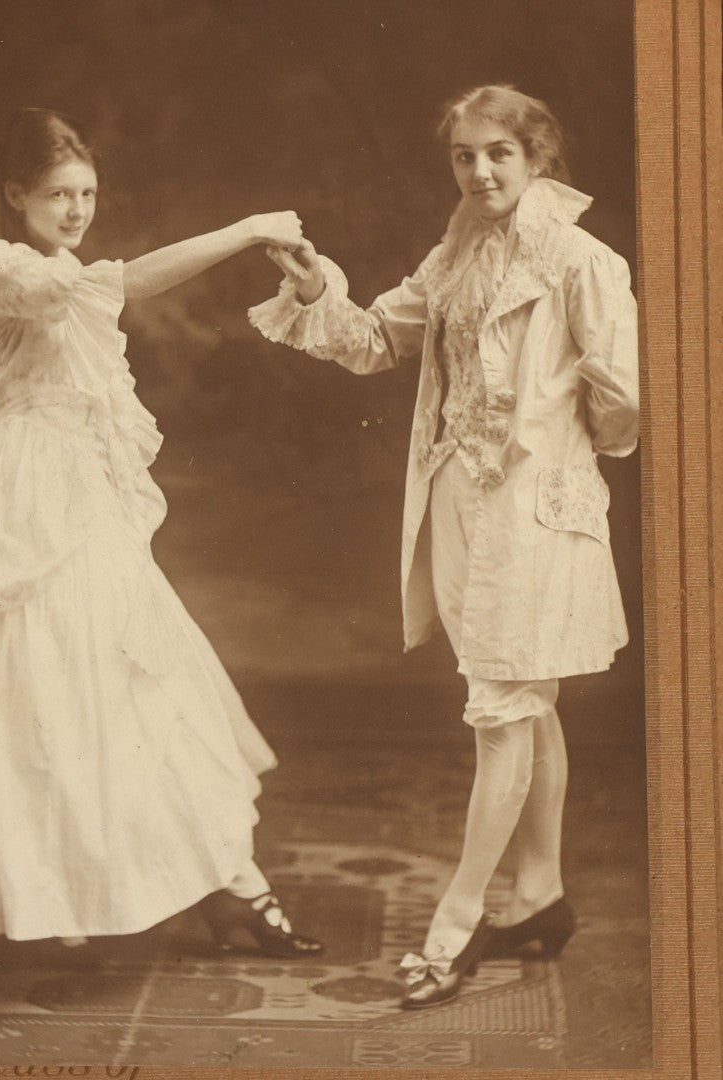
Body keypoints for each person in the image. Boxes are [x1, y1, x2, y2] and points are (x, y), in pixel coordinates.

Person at [0, 107, 324, 960]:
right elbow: (132, 281)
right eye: (56, 195)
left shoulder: (64, 269)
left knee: (138, 684)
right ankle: (54, 889)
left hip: (78, 493)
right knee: (38, 694)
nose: (75, 210)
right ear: (14, 195)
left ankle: (231, 886)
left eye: (86, 193)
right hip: (20, 496)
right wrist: (247, 228)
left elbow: (101, 312)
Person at [248, 84, 638, 1006]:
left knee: (506, 709)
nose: (481, 171)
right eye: (464, 156)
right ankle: (538, 894)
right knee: (525, 704)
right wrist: (313, 287)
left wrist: (554, 425)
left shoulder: (582, 261)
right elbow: (377, 338)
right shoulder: (457, 253)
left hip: (536, 517)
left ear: (537, 155)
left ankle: (455, 925)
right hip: (459, 508)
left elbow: (623, 415)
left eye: (499, 152)